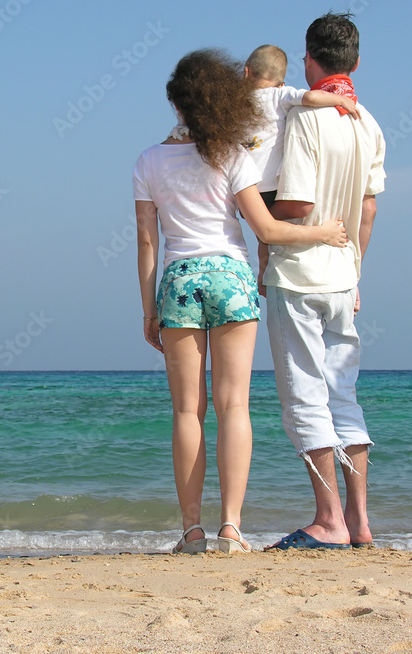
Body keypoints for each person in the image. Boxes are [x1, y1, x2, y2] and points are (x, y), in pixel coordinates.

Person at [133, 49, 349, 554]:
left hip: (179, 281)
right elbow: (268, 228)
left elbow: (147, 244)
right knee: (234, 407)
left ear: (176, 102)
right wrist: (325, 233)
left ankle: (191, 532)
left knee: (188, 411)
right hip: (229, 277)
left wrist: (148, 311)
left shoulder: (148, 161)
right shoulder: (233, 154)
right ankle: (230, 528)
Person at [263, 13, 386, 551]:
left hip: (300, 271)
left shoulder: (305, 120)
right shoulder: (368, 121)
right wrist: (356, 270)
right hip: (343, 276)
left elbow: (297, 203)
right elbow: (368, 208)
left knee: (304, 397)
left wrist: (258, 213)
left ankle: (328, 520)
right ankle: (359, 523)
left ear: (308, 59)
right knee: (344, 398)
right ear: (355, 63)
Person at [242, 44, 359, 294]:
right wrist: (340, 99)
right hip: (271, 187)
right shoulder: (280, 96)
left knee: (263, 235)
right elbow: (311, 98)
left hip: (244, 189)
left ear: (246, 72)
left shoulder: (236, 103)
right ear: (281, 83)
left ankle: (263, 270)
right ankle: (317, 237)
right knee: (270, 233)